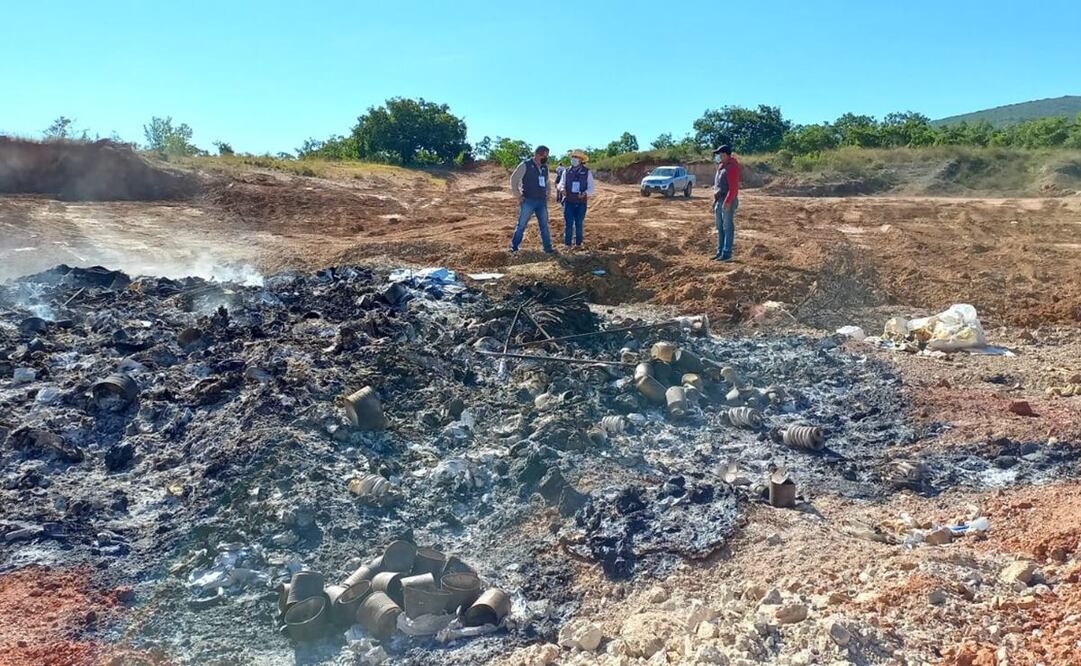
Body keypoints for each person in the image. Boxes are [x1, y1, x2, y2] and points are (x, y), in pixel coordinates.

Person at [509, 145, 555, 255]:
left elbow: (547, 181)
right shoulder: (525, 165)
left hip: (541, 201)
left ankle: (548, 248)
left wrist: (548, 193)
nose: (546, 158)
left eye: (547, 156)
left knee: (544, 225)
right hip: (528, 201)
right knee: (521, 225)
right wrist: (518, 195)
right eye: (545, 156)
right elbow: (513, 179)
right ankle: (514, 248)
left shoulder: (545, 167)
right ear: (537, 155)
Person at [557, 149, 595, 249]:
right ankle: (567, 245)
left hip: (581, 203)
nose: (574, 159)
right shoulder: (566, 171)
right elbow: (561, 183)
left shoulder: (587, 172)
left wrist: (585, 193)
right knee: (568, 223)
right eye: (573, 157)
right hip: (568, 201)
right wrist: (562, 189)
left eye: (576, 157)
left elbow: (591, 188)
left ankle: (578, 244)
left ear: (581, 160)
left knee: (579, 223)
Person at [711, 144, 741, 262]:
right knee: (720, 227)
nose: (718, 157)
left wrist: (728, 202)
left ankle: (727, 253)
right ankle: (720, 251)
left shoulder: (732, 167)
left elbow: (733, 188)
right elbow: (718, 186)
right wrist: (715, 200)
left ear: (726, 155)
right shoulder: (722, 166)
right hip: (720, 200)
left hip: (728, 200)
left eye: (720, 154)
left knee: (727, 227)